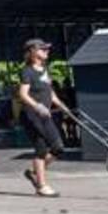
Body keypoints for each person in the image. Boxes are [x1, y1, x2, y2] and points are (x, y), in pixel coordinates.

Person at [18, 38, 68, 197]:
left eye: (47, 49)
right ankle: (42, 185)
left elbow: (49, 91)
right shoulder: (27, 71)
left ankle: (34, 173)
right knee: (41, 149)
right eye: (43, 49)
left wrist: (61, 105)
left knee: (58, 148)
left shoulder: (45, 69)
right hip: (32, 116)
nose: (46, 51)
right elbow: (23, 94)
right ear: (32, 52)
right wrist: (37, 106)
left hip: (45, 115)